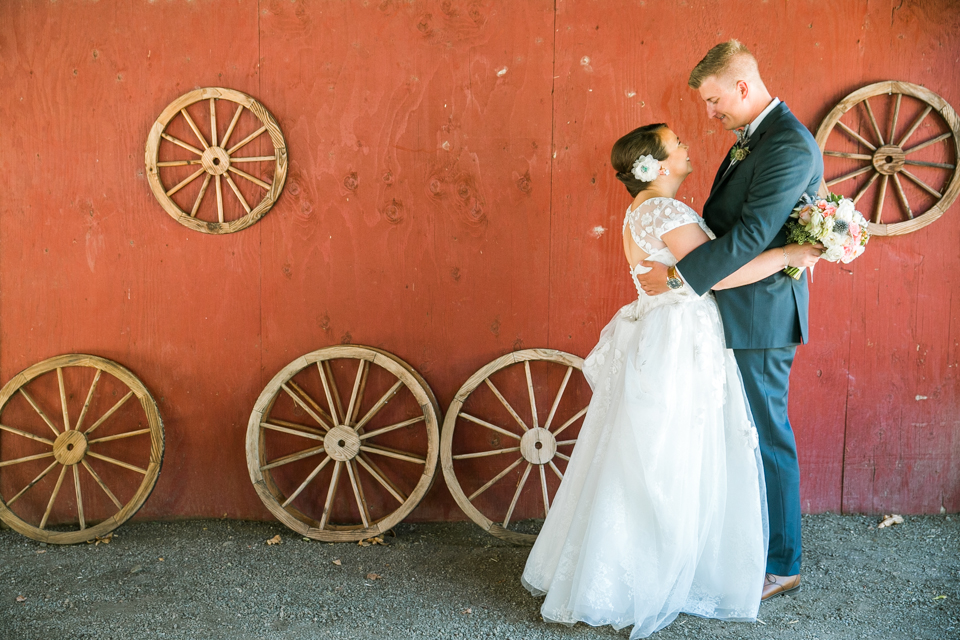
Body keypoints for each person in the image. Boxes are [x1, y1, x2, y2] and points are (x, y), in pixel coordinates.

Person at [520, 122, 821, 638]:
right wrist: (789, 256)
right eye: (676, 145)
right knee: (674, 451)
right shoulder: (665, 210)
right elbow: (720, 273)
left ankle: (638, 563)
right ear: (654, 167)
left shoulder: (645, 211)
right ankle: (663, 567)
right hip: (681, 337)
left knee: (650, 451)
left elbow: (694, 268)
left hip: (667, 330)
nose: (686, 149)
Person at [635, 40, 823, 601]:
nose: (710, 113)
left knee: (767, 436)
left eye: (715, 100)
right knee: (740, 434)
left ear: (743, 87)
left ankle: (782, 563)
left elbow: (748, 238)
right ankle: (744, 544)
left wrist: (678, 278)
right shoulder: (754, 137)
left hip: (763, 312)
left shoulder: (787, 143)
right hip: (733, 306)